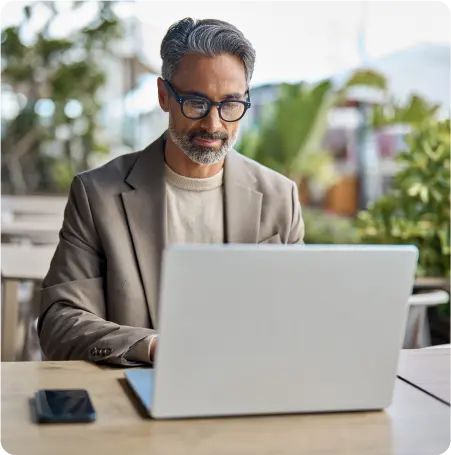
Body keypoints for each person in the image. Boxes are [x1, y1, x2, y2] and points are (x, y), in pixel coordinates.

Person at [38, 17, 305, 366]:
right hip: (138, 390)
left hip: (248, 387)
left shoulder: (279, 197)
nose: (214, 124)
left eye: (230, 105)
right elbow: (60, 321)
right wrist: (151, 348)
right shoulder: (96, 195)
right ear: (164, 96)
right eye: (196, 103)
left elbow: (299, 316)